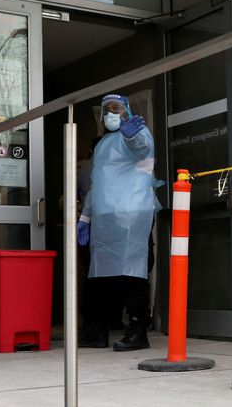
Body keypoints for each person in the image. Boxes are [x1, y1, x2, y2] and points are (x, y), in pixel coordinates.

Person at [76, 94, 156, 351]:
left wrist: (132, 135)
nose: (112, 113)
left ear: (127, 111)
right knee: (100, 275)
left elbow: (142, 148)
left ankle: (137, 329)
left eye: (117, 108)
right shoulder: (101, 146)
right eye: (107, 110)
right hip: (104, 215)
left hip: (131, 213)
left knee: (132, 273)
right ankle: (95, 331)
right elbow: (97, 184)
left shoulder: (137, 133)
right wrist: (86, 217)